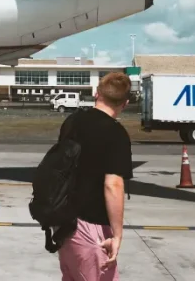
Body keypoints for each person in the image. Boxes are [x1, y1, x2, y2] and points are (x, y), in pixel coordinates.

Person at [57, 73, 133, 281]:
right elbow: (113, 185)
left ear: (96, 93)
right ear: (125, 103)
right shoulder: (116, 133)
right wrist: (117, 235)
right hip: (91, 225)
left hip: (64, 221)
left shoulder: (71, 122)